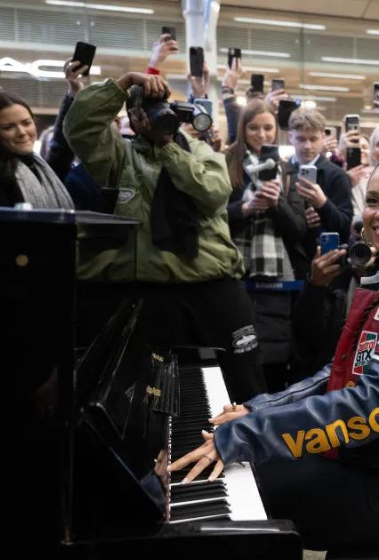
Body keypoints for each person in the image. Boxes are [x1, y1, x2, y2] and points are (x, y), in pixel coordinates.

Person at [169, 151, 379, 551]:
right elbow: (341, 372)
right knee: (223, 477)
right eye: (373, 200)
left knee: (218, 491)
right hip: (363, 458)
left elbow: (371, 405)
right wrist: (260, 408)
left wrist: (245, 434)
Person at [64, 71, 265, 403]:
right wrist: (124, 83)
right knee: (159, 396)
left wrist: (168, 147)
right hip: (153, 293)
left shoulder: (198, 151)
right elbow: (79, 128)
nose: (159, 115)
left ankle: (250, 448)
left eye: (163, 108)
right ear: (133, 117)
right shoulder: (119, 157)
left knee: (242, 382)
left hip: (211, 288)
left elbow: (213, 193)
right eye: (148, 110)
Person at [224, 99, 308, 391]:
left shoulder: (287, 171)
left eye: (268, 128)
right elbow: (210, 219)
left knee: (273, 361)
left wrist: (276, 204)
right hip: (235, 273)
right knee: (237, 359)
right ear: (243, 129)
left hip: (278, 282)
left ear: (276, 130)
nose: (262, 135)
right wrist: (244, 209)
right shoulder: (226, 164)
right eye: (254, 128)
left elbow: (298, 229)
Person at [0, 92, 73, 208]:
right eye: (8, 127)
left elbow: (61, 150)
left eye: (26, 123)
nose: (22, 132)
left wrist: (73, 95)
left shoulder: (36, 164)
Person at [287, 107, 353, 246]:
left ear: (323, 137)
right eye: (301, 139)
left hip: (321, 253)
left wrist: (323, 203)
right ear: (290, 137)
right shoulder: (281, 171)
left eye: (313, 139)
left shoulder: (337, 175)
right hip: (287, 254)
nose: (307, 146)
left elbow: (345, 225)